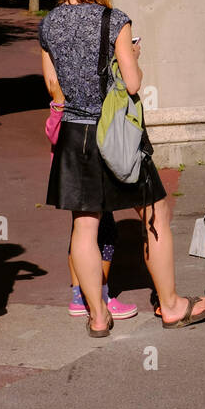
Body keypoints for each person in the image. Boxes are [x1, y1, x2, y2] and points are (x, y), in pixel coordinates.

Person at [39, 0, 205, 337]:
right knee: (155, 213)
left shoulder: (49, 24)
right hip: (114, 135)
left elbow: (53, 84)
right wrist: (134, 55)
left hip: (74, 136)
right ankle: (171, 305)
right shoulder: (114, 20)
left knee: (85, 225)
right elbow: (132, 85)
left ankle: (98, 316)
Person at [43, 77, 137, 319]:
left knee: (80, 232)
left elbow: (52, 135)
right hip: (89, 170)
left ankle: (78, 295)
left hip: (69, 174)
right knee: (104, 232)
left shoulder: (60, 106)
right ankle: (101, 294)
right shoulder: (77, 107)